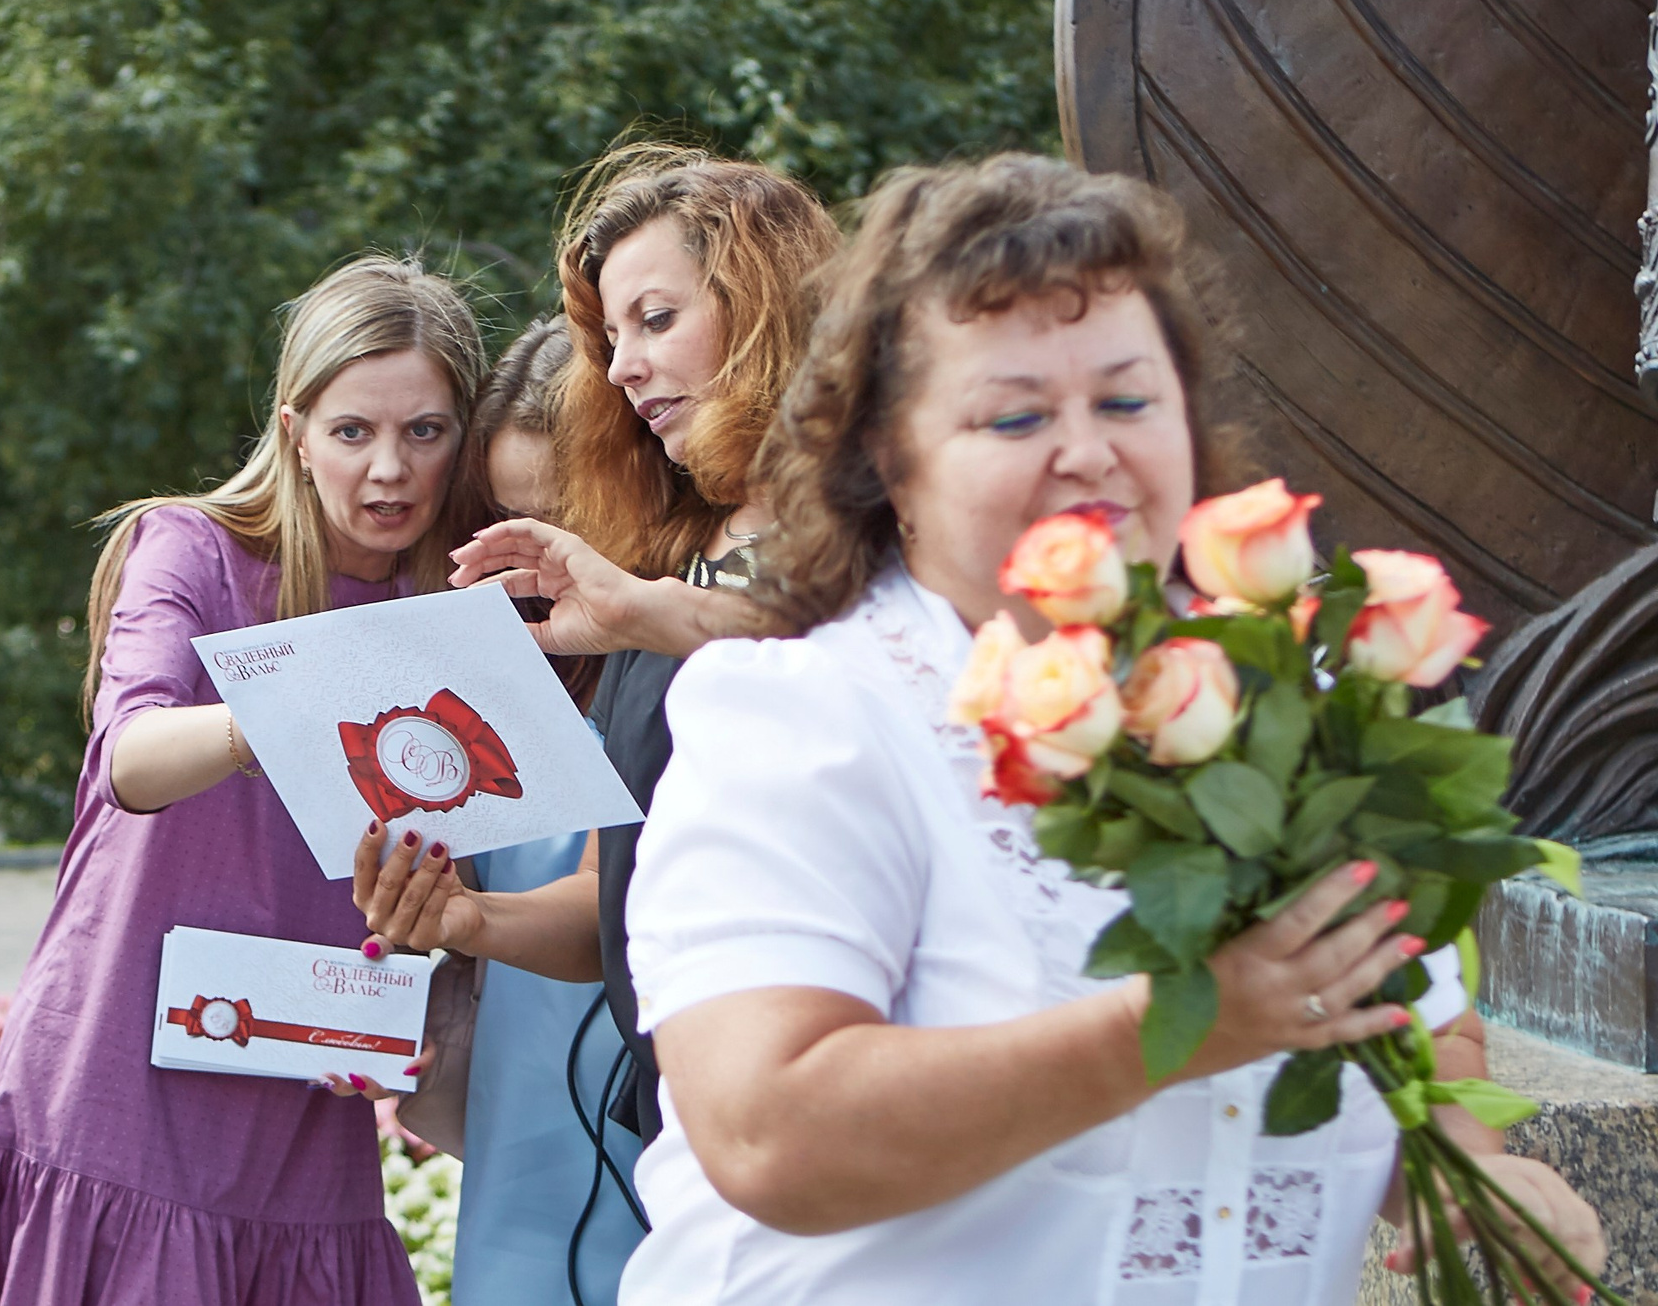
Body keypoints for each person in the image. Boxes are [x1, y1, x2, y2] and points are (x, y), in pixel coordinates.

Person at [618, 153, 1605, 1302]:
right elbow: (767, 1133)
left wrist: (1468, 1176)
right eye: (1016, 412)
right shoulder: (804, 715)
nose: (1086, 450)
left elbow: (1413, 1008)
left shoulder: (1293, 697)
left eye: (1127, 401)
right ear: (890, 458)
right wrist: (1181, 1025)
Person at [0, 255, 490, 1306]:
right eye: (354, 430)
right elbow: (130, 757)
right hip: (118, 1077)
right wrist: (295, 709)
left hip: (304, 1086)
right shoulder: (187, 548)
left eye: (425, 431)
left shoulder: (459, 608)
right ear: (295, 427)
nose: (389, 468)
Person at [353, 146, 841, 1145]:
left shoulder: (879, 526)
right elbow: (601, 898)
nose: (622, 367)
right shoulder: (673, 549)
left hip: (827, 1090)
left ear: (762, 303)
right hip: (687, 1119)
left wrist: (650, 614)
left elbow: (860, 663)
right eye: (611, 336)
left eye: (656, 319)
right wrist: (469, 924)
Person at [402, 318, 645, 1306]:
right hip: (519, 1140)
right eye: (509, 513)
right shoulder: (487, 670)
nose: (534, 555)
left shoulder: (677, 662)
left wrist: (472, 919)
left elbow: (599, 909)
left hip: (654, 1136)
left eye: (564, 515)